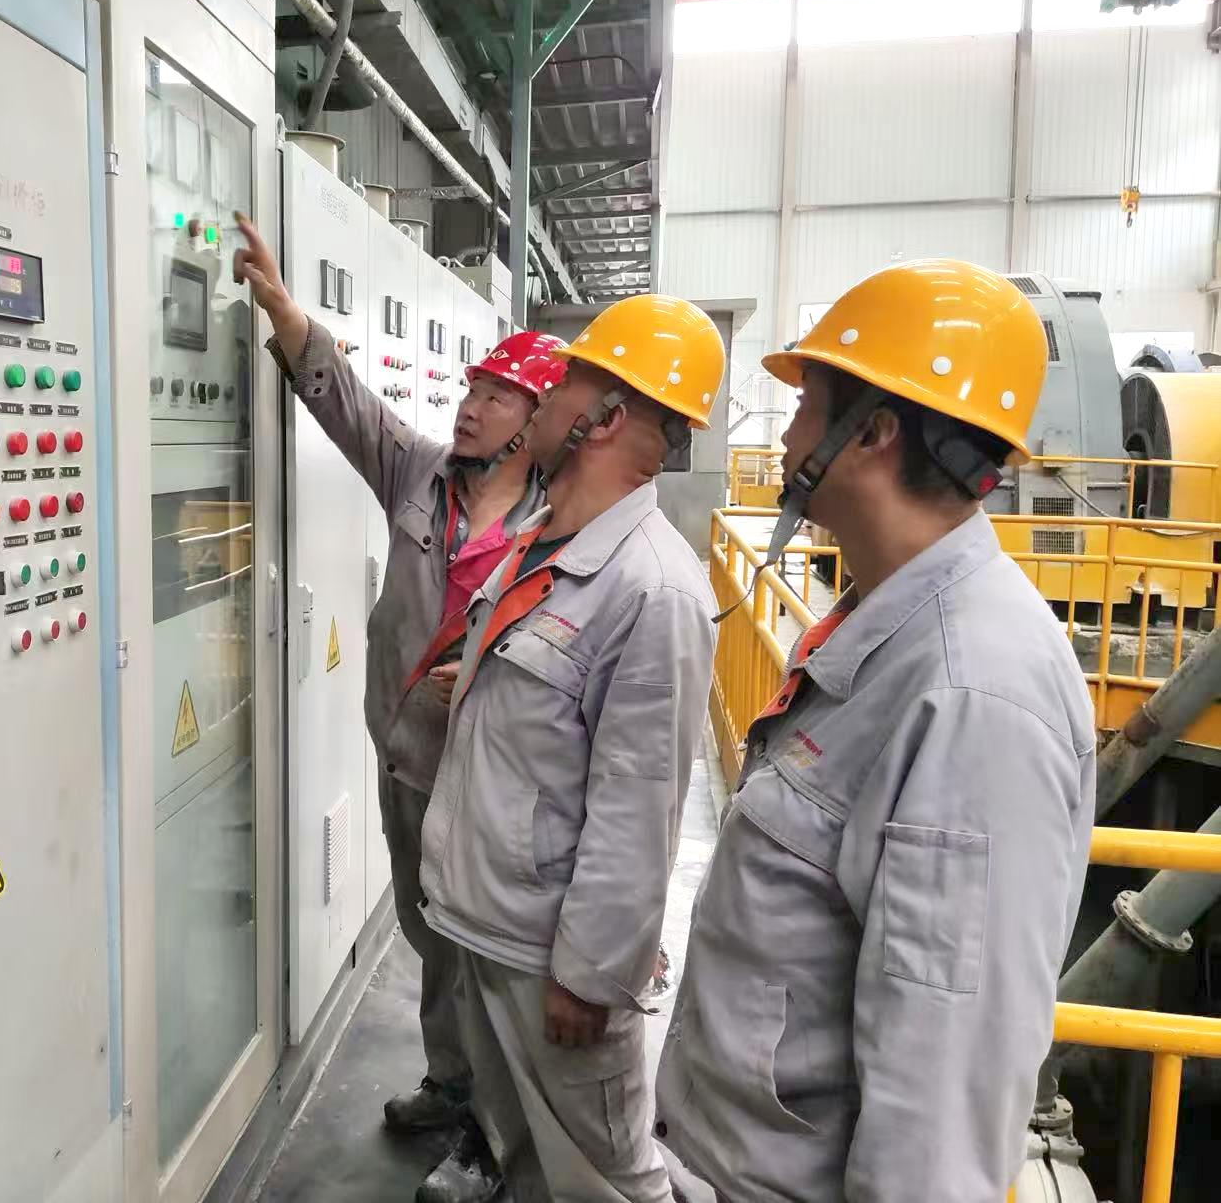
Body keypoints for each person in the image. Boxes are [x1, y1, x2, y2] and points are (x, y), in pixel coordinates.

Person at [655, 260, 1096, 1203]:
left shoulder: (975, 697)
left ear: (874, 432)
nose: (786, 435)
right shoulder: (890, 620)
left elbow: (938, 1109)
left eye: (804, 405)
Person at [231, 212, 563, 1202]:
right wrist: (283, 310)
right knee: (428, 934)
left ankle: (491, 1136)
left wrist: (500, 670)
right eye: (471, 389)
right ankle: (451, 1083)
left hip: (492, 777)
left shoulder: (558, 523)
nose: (471, 407)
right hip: (410, 753)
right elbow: (349, 405)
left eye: (497, 396)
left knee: (483, 956)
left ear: (535, 422)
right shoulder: (421, 475)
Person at [408, 294, 724, 1203]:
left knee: (604, 1183)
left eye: (565, 384)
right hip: (485, 922)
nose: (542, 398)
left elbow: (640, 804)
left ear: (606, 417)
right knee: (527, 1164)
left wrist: (591, 976)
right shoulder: (541, 539)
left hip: (551, 960)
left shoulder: (654, 588)